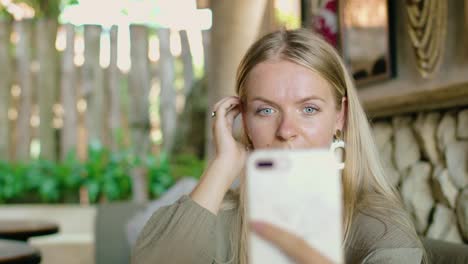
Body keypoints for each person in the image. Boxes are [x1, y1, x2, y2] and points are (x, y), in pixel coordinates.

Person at [131, 28, 427, 264]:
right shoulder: (221, 220)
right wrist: (223, 166)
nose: (286, 131)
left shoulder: (381, 228)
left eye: (308, 109)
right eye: (265, 110)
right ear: (243, 119)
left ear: (341, 116)